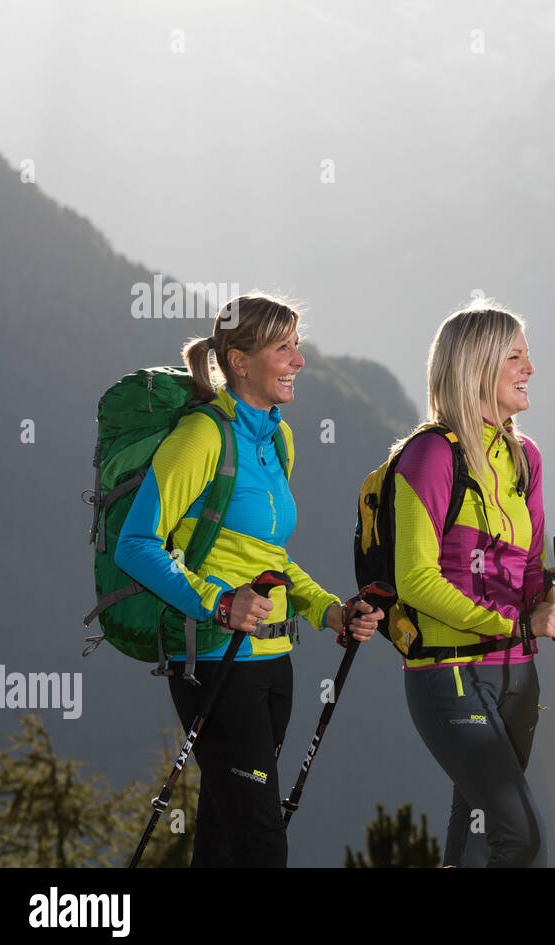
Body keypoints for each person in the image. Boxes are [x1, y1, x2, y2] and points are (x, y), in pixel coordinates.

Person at [115, 293, 383, 867]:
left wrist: (329, 610)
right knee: (263, 843)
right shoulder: (202, 436)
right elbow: (134, 545)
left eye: (297, 345)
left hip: (273, 664)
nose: (299, 360)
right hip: (215, 663)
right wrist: (217, 604)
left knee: (225, 831)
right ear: (239, 360)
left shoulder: (277, 440)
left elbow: (271, 558)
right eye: (283, 347)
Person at [392, 300, 555, 868]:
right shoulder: (430, 455)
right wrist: (520, 622)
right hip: (448, 672)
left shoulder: (525, 457)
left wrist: (551, 590)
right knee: (520, 837)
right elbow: (415, 579)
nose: (530, 368)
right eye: (516, 357)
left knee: (477, 836)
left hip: (516, 673)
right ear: (477, 366)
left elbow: (524, 570)